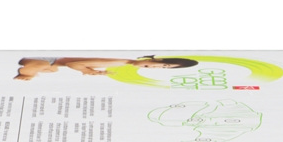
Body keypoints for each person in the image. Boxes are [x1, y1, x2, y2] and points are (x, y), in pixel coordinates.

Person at [13, 55, 198, 81]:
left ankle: (29, 71)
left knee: (50, 71)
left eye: (164, 68)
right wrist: (87, 71)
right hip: (47, 59)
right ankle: (27, 71)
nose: (156, 68)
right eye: (162, 64)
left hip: (53, 64)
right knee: (40, 67)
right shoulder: (119, 60)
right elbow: (71, 64)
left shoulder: (124, 63)